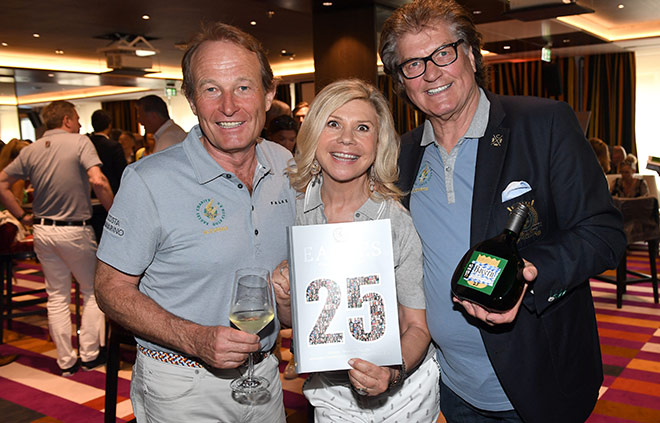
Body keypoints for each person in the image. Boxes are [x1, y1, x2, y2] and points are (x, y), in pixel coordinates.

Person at [379, 1, 626, 422]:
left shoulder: (544, 124)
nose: (432, 72)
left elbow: (603, 233)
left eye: (443, 53)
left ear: (472, 55)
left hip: (538, 380)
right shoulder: (400, 157)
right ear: (402, 82)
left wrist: (528, 272)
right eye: (413, 64)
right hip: (452, 386)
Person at [94, 22, 295, 422]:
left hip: (266, 377)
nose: (228, 106)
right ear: (190, 99)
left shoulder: (288, 166)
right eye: (210, 89)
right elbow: (109, 289)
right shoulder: (148, 181)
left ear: (269, 94)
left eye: (243, 87)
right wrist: (195, 337)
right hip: (182, 386)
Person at [272, 79, 440, 422]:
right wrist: (285, 296)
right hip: (328, 396)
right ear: (314, 132)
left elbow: (417, 326)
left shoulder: (395, 222)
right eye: (333, 124)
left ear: (378, 144)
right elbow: (303, 324)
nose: (347, 139)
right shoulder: (295, 211)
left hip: (402, 400)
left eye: (362, 128)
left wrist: (392, 372)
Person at [0, 100, 114, 376]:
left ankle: (66, 361)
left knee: (57, 296)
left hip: (43, 230)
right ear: (66, 120)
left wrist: (21, 214)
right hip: (75, 230)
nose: (79, 123)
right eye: (76, 118)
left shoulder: (32, 149)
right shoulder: (79, 142)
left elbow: (1, 182)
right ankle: (89, 354)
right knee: (91, 291)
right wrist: (115, 214)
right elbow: (98, 180)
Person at [88, 110, 127, 195]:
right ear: (109, 125)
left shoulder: (86, 143)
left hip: (90, 192)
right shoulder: (114, 146)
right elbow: (122, 172)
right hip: (112, 192)